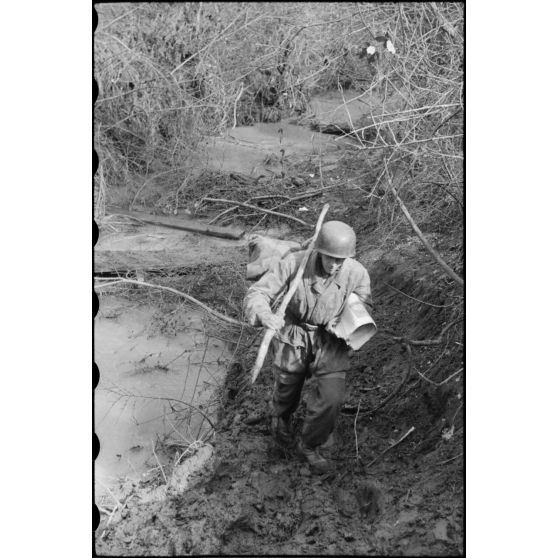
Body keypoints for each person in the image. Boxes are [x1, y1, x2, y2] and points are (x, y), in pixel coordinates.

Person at [244, 221, 373, 473]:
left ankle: (310, 445)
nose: (335, 265)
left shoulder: (357, 273)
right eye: (330, 258)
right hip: (295, 333)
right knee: (286, 389)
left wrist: (351, 319)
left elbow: (365, 305)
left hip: (332, 339)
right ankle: (280, 420)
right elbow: (258, 292)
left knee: (331, 398)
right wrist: (264, 314)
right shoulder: (295, 263)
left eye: (341, 260)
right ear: (319, 251)